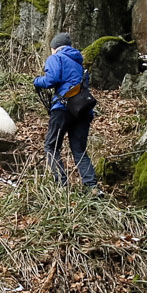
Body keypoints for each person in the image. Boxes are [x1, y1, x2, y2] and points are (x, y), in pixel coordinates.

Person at [34, 32, 98, 188]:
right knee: (79, 150)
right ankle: (93, 188)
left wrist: (37, 81)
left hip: (62, 108)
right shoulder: (79, 63)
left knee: (51, 146)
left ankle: (61, 186)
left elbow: (51, 80)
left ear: (54, 47)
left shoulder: (56, 58)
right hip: (82, 109)